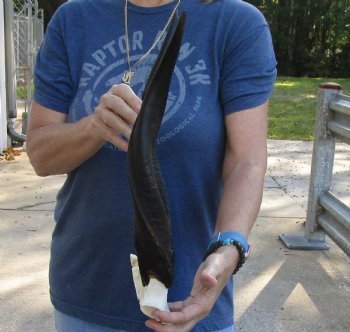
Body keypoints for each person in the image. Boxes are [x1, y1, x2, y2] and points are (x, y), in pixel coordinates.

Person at [26, 0, 277, 331]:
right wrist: (93, 128)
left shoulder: (234, 23)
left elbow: (248, 162)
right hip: (86, 293)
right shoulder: (74, 19)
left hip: (189, 299)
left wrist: (229, 249)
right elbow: (40, 154)